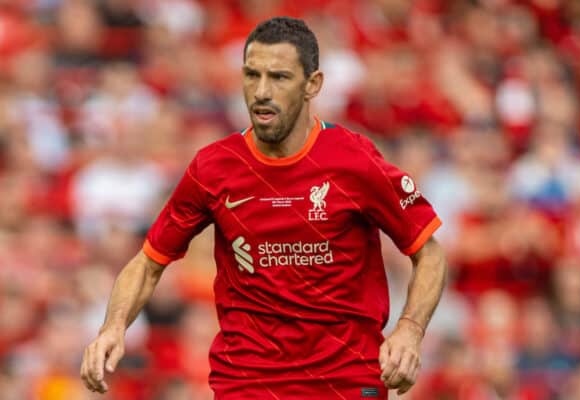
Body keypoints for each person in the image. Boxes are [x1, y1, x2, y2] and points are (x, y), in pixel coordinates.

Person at [80, 17, 447, 399]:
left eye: (279, 77)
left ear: (313, 85)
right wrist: (113, 327)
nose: (261, 91)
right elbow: (148, 262)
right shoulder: (214, 167)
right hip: (248, 383)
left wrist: (410, 330)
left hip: (345, 380)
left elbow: (430, 252)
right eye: (251, 75)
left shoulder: (354, 161)